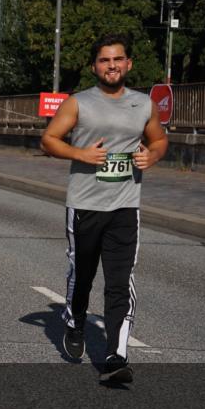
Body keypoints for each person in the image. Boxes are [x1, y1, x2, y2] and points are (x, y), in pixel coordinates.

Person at [41, 34, 168, 383]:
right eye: (104, 60)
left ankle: (116, 356)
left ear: (128, 63)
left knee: (120, 281)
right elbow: (49, 139)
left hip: (126, 205)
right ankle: (75, 320)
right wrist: (81, 154)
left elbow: (159, 140)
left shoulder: (143, 104)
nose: (111, 66)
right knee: (82, 276)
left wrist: (151, 156)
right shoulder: (78, 103)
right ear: (95, 66)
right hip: (84, 204)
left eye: (118, 60)